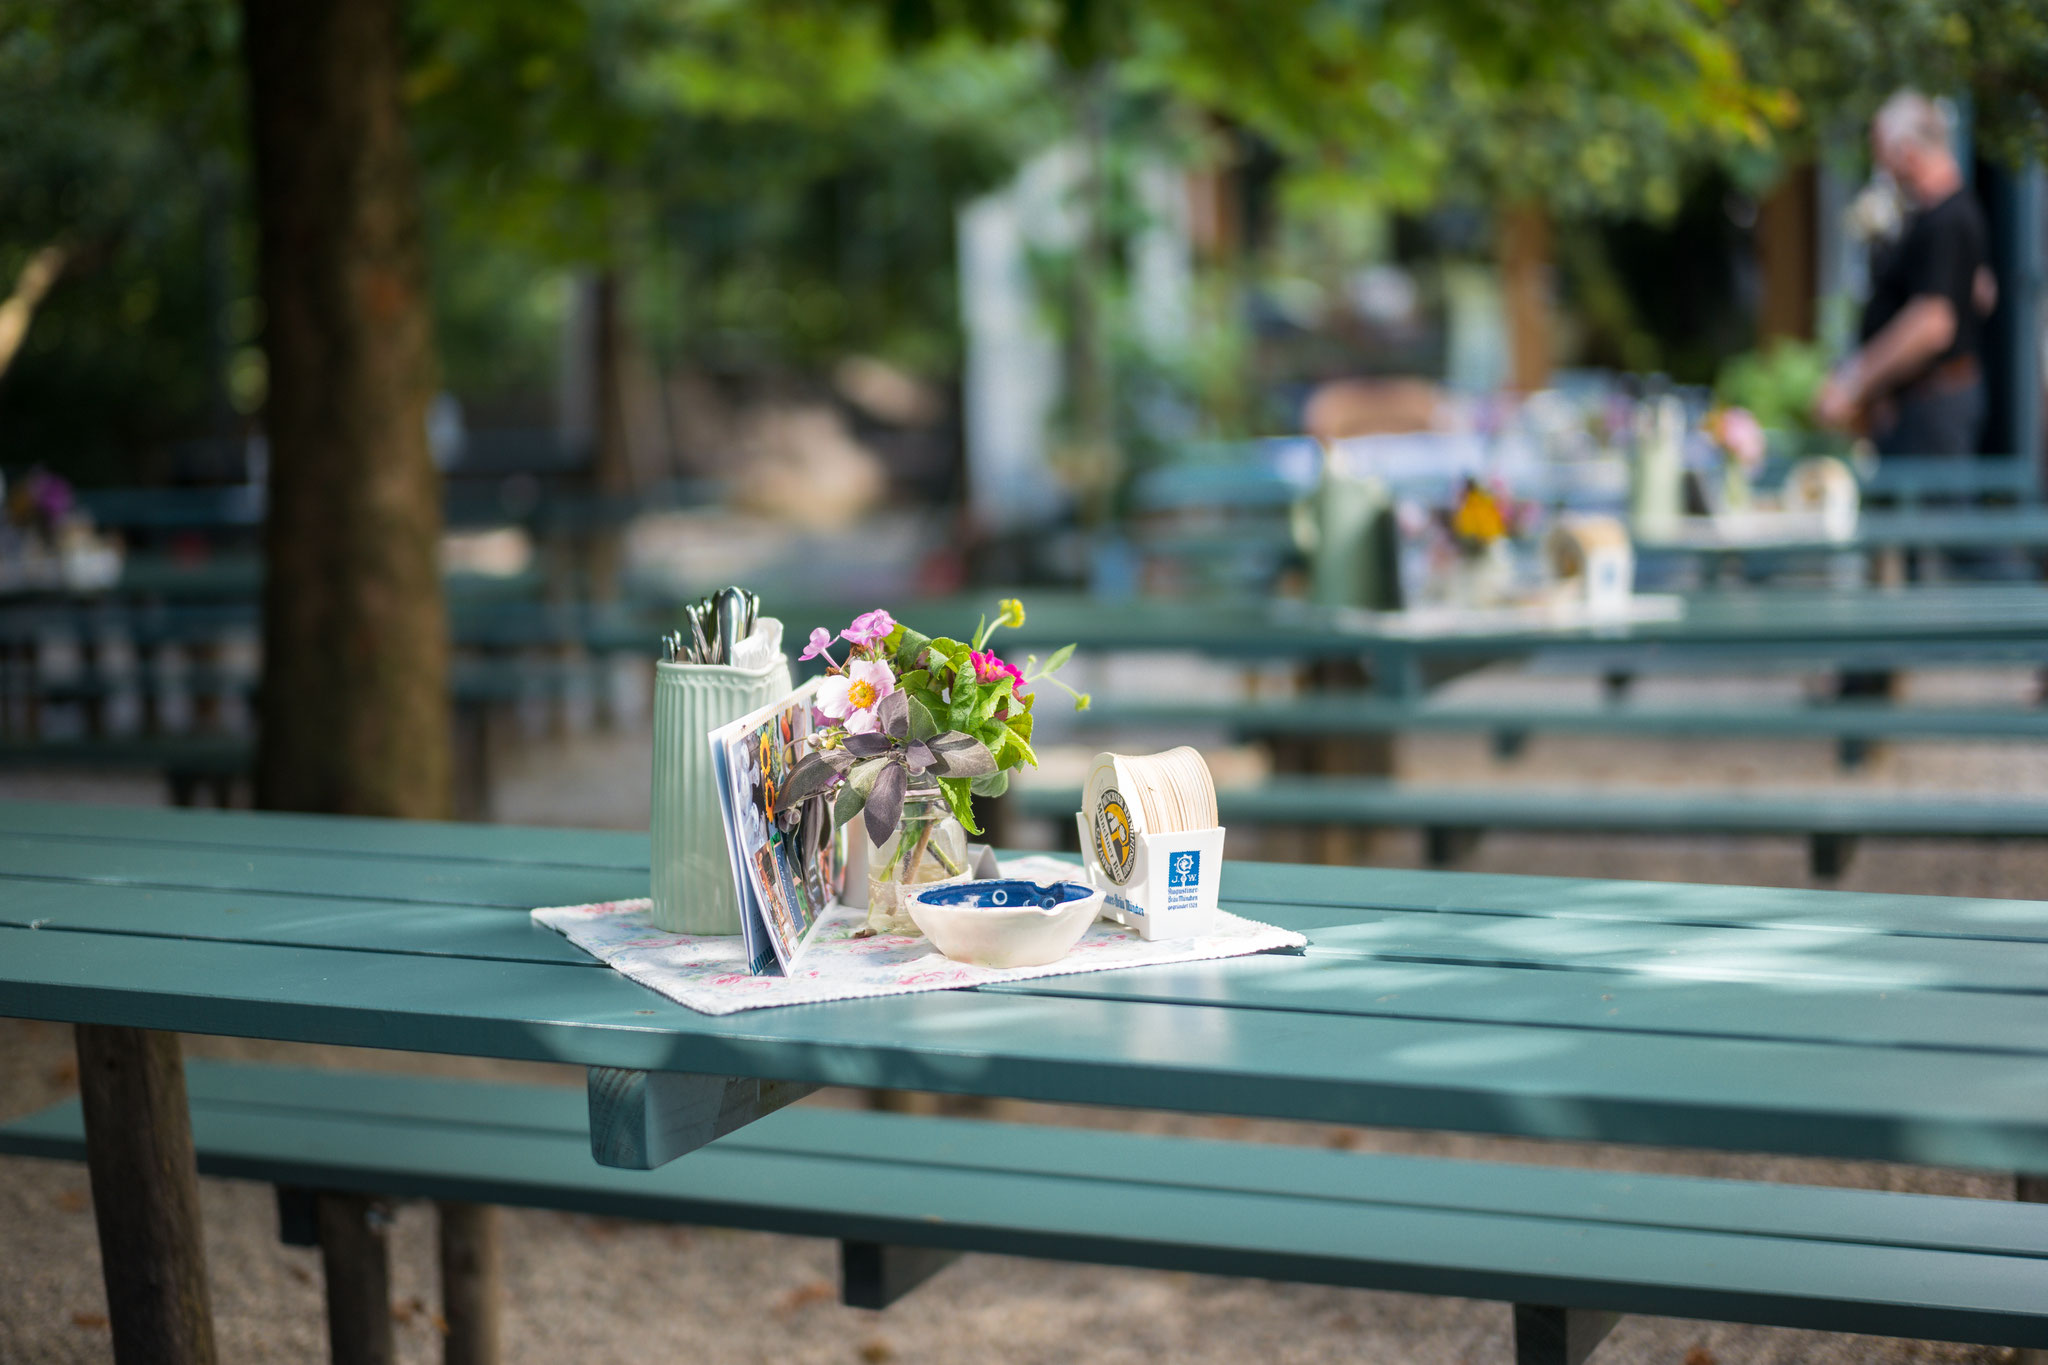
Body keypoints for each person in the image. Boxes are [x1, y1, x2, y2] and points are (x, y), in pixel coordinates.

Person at [1816, 91, 1993, 456]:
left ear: (1909, 152)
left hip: (1934, 407)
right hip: (1917, 403)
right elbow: (1982, 292)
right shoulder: (1932, 217)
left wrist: (1854, 381)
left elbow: (1932, 322)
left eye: (1882, 152)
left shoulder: (1949, 220)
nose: (1881, 166)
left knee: (1928, 513)